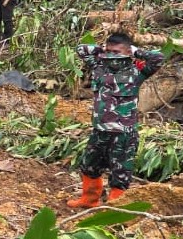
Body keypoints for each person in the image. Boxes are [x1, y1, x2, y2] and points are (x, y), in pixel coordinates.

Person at [67, 33, 163, 208]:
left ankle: (115, 208)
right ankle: (90, 200)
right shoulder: (98, 67)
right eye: (109, 51)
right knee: (89, 165)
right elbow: (81, 49)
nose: (112, 55)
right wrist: (101, 49)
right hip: (100, 130)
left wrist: (135, 51)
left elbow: (158, 58)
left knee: (120, 173)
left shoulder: (136, 72)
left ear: (127, 52)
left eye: (117, 52)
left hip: (123, 133)